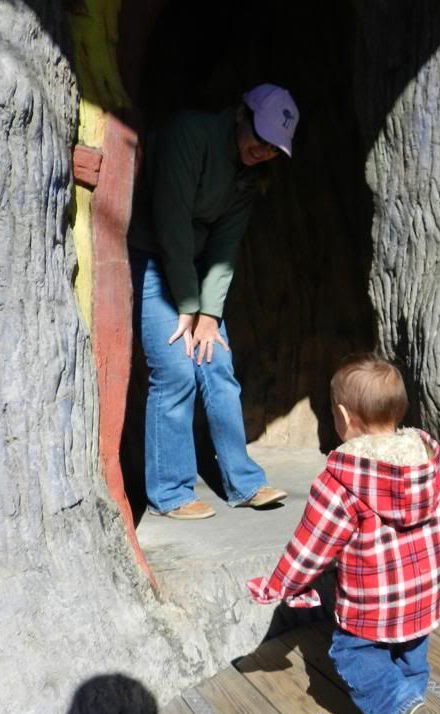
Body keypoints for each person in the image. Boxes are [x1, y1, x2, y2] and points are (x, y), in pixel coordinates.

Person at [247, 354, 440, 714]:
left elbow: (311, 548)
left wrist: (278, 586)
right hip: (425, 595)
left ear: (343, 416)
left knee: (351, 654)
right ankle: (409, 702)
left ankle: (396, 710)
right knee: (412, 651)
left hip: (372, 605)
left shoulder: (340, 481)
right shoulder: (429, 462)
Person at [127, 84, 300, 520]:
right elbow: (171, 221)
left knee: (218, 362)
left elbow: (225, 246)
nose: (262, 150)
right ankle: (170, 491)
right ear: (240, 114)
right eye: (258, 137)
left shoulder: (251, 175)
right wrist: (188, 304)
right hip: (153, 257)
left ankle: (244, 482)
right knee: (175, 368)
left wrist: (209, 314)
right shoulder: (192, 133)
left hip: (197, 269)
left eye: (272, 147)